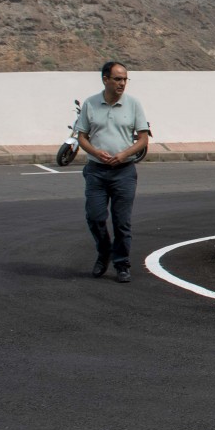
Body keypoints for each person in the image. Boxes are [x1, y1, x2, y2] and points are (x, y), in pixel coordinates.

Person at [75, 61, 150, 283]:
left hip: (124, 172)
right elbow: (82, 137)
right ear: (105, 79)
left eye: (125, 79)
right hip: (96, 171)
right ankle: (104, 251)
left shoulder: (133, 104)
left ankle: (122, 263)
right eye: (117, 79)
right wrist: (96, 153)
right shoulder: (90, 104)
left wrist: (125, 154)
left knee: (121, 222)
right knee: (95, 217)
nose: (122, 83)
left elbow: (143, 139)